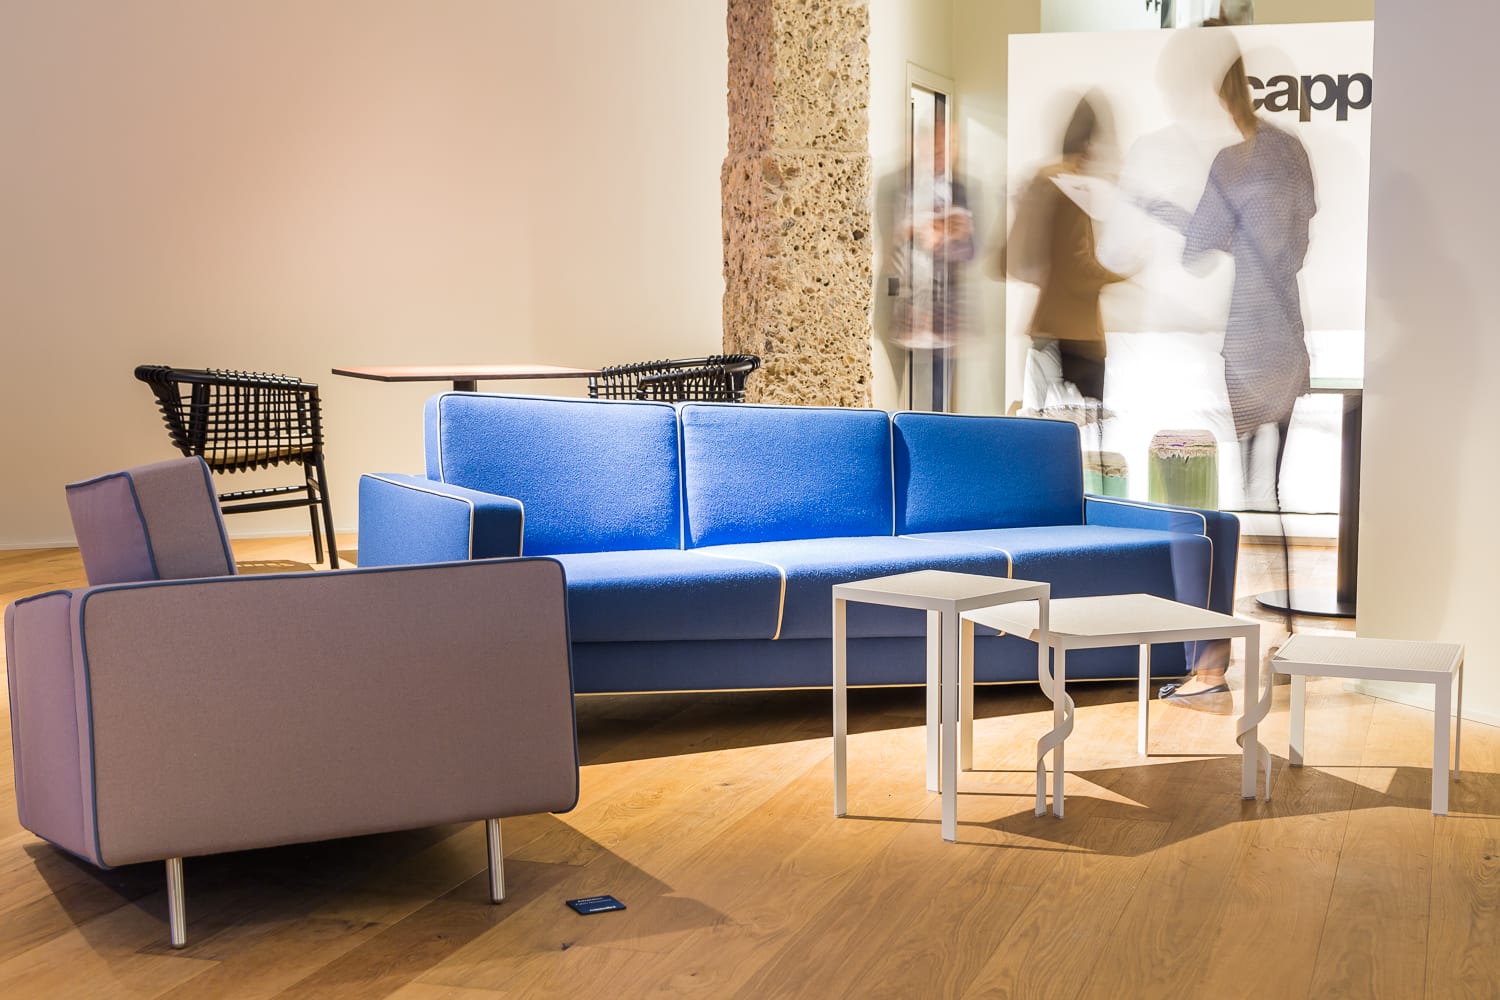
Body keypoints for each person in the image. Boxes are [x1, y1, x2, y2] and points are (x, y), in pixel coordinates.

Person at [1152, 25, 1316, 701]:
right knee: (1265, 488)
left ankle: (1224, 649)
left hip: (1252, 336)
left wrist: (1178, 217)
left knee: (1247, 492)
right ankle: (1282, 628)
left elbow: (1199, 246)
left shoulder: (1233, 161)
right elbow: (1295, 243)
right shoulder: (1288, 152)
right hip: (1282, 333)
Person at [1006, 93, 1129, 422]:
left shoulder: (1043, 179)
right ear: (1090, 143)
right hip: (1077, 333)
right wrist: (1123, 276)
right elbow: (1078, 266)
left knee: (1038, 427)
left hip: (1044, 326)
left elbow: (1015, 258)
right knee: (1087, 436)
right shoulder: (1073, 187)